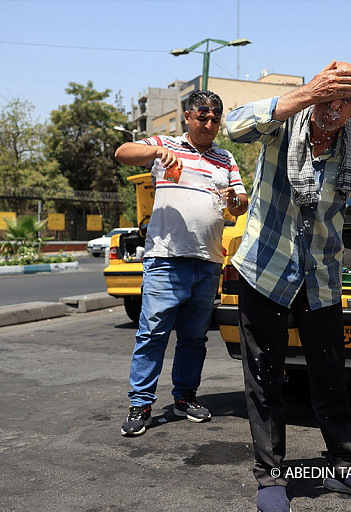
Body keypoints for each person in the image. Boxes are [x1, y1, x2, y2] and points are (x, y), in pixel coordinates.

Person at [225, 61, 351, 511]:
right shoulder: (283, 124)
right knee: (265, 376)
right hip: (265, 270)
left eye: (344, 103)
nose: (333, 109)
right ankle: (270, 476)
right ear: (316, 93)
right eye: (328, 97)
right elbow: (234, 125)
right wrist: (303, 95)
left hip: (321, 276)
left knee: (330, 375)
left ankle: (344, 467)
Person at [114, 90, 249, 437]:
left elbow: (239, 206)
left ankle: (185, 397)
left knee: (193, 338)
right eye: (202, 116)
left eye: (215, 119)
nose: (208, 124)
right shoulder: (166, 146)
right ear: (187, 116)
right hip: (165, 260)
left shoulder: (226, 159)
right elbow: (122, 153)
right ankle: (141, 403)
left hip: (207, 261)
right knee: (153, 334)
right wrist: (156, 150)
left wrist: (237, 199)